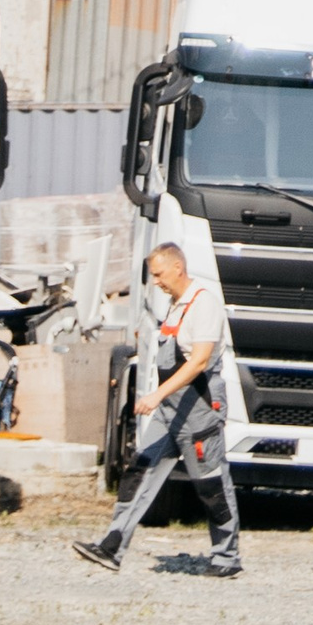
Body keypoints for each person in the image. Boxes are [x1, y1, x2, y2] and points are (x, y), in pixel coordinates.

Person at [74, 241, 241, 576]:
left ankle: (227, 557)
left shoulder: (202, 303)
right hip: (168, 409)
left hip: (199, 409)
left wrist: (154, 395)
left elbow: (199, 361)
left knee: (210, 484)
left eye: (160, 274)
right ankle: (112, 547)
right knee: (140, 471)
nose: (157, 281)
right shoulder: (175, 305)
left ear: (178, 268)